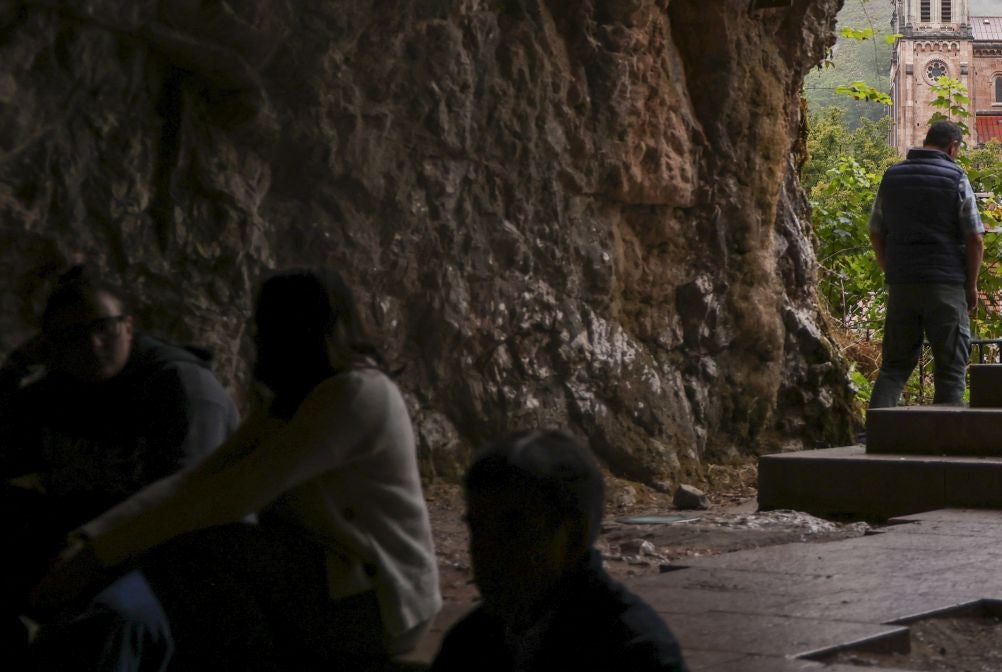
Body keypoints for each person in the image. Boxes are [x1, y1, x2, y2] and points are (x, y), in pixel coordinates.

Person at [28, 265, 441, 670]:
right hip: (331, 579)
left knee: (207, 546)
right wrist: (89, 541)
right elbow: (198, 479)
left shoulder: (354, 395)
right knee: (198, 559)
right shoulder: (293, 398)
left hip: (382, 604)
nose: (261, 336)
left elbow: (232, 496)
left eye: (274, 323)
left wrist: (98, 556)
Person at [1, 265, 238, 650]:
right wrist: (14, 368)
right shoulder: (59, 389)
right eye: (72, 336)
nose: (92, 345)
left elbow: (184, 511)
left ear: (128, 326)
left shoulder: (182, 390)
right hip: (86, 547)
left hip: (174, 562)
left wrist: (86, 563)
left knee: (110, 622)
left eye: (103, 328)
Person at [431, 430, 686, 672]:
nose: (485, 552)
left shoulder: (634, 654)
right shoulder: (472, 642)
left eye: (513, 533)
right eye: (478, 530)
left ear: (574, 537)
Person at [866, 119, 985, 408]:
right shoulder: (955, 176)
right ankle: (944, 441)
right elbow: (975, 236)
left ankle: (876, 436)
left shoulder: (892, 175)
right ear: (952, 147)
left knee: (894, 367)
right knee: (951, 369)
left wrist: (889, 268)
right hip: (945, 285)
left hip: (903, 285)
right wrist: (971, 285)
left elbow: (875, 229)